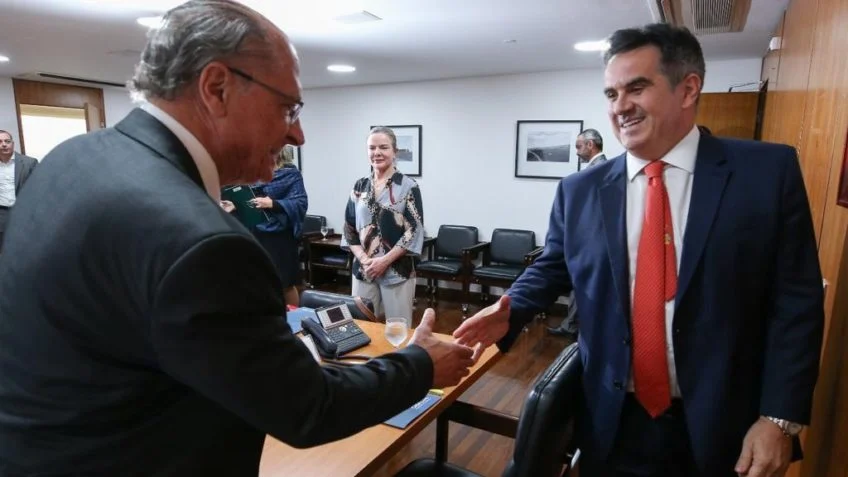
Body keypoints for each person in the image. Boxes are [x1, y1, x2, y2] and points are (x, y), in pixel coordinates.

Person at [0, 1, 474, 475]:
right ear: (216, 88)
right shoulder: (205, 244)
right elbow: (305, 406)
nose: (299, 135)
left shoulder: (71, 158)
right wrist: (420, 365)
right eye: (288, 108)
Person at [455, 23, 823, 477]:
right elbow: (552, 267)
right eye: (611, 94)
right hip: (612, 422)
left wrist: (779, 419)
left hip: (728, 426)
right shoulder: (579, 190)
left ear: (688, 88)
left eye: (636, 88)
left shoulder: (765, 173)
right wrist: (510, 309)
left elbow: (797, 305)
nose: (620, 106)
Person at [342, 126, 424, 321]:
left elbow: (414, 231)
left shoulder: (408, 186)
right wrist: (365, 260)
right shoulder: (359, 186)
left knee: (398, 327)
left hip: (397, 271)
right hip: (364, 270)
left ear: (395, 151)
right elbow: (349, 228)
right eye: (372, 148)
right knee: (362, 326)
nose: (377, 152)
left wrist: (384, 261)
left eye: (383, 147)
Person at [547, 128, 607, 338]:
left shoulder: (597, 171)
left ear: (591, 145)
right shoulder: (600, 168)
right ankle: (573, 326)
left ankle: (574, 328)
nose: (577, 152)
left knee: (582, 286)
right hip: (591, 243)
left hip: (592, 243)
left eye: (579, 146)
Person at [248, 145, 308, 306]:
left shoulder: (290, 174)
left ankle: (294, 317)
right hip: (254, 234)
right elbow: (246, 201)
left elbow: (300, 203)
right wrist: (234, 205)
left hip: (279, 237)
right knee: (260, 283)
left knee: (285, 284)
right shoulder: (251, 174)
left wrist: (272, 204)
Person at [0, 130, 37, 251]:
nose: (4, 144)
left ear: (13, 143)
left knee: (27, 247)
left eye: (7, 141)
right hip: (1, 214)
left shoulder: (29, 163)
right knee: (4, 249)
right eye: (0, 142)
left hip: (24, 212)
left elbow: (39, 189)